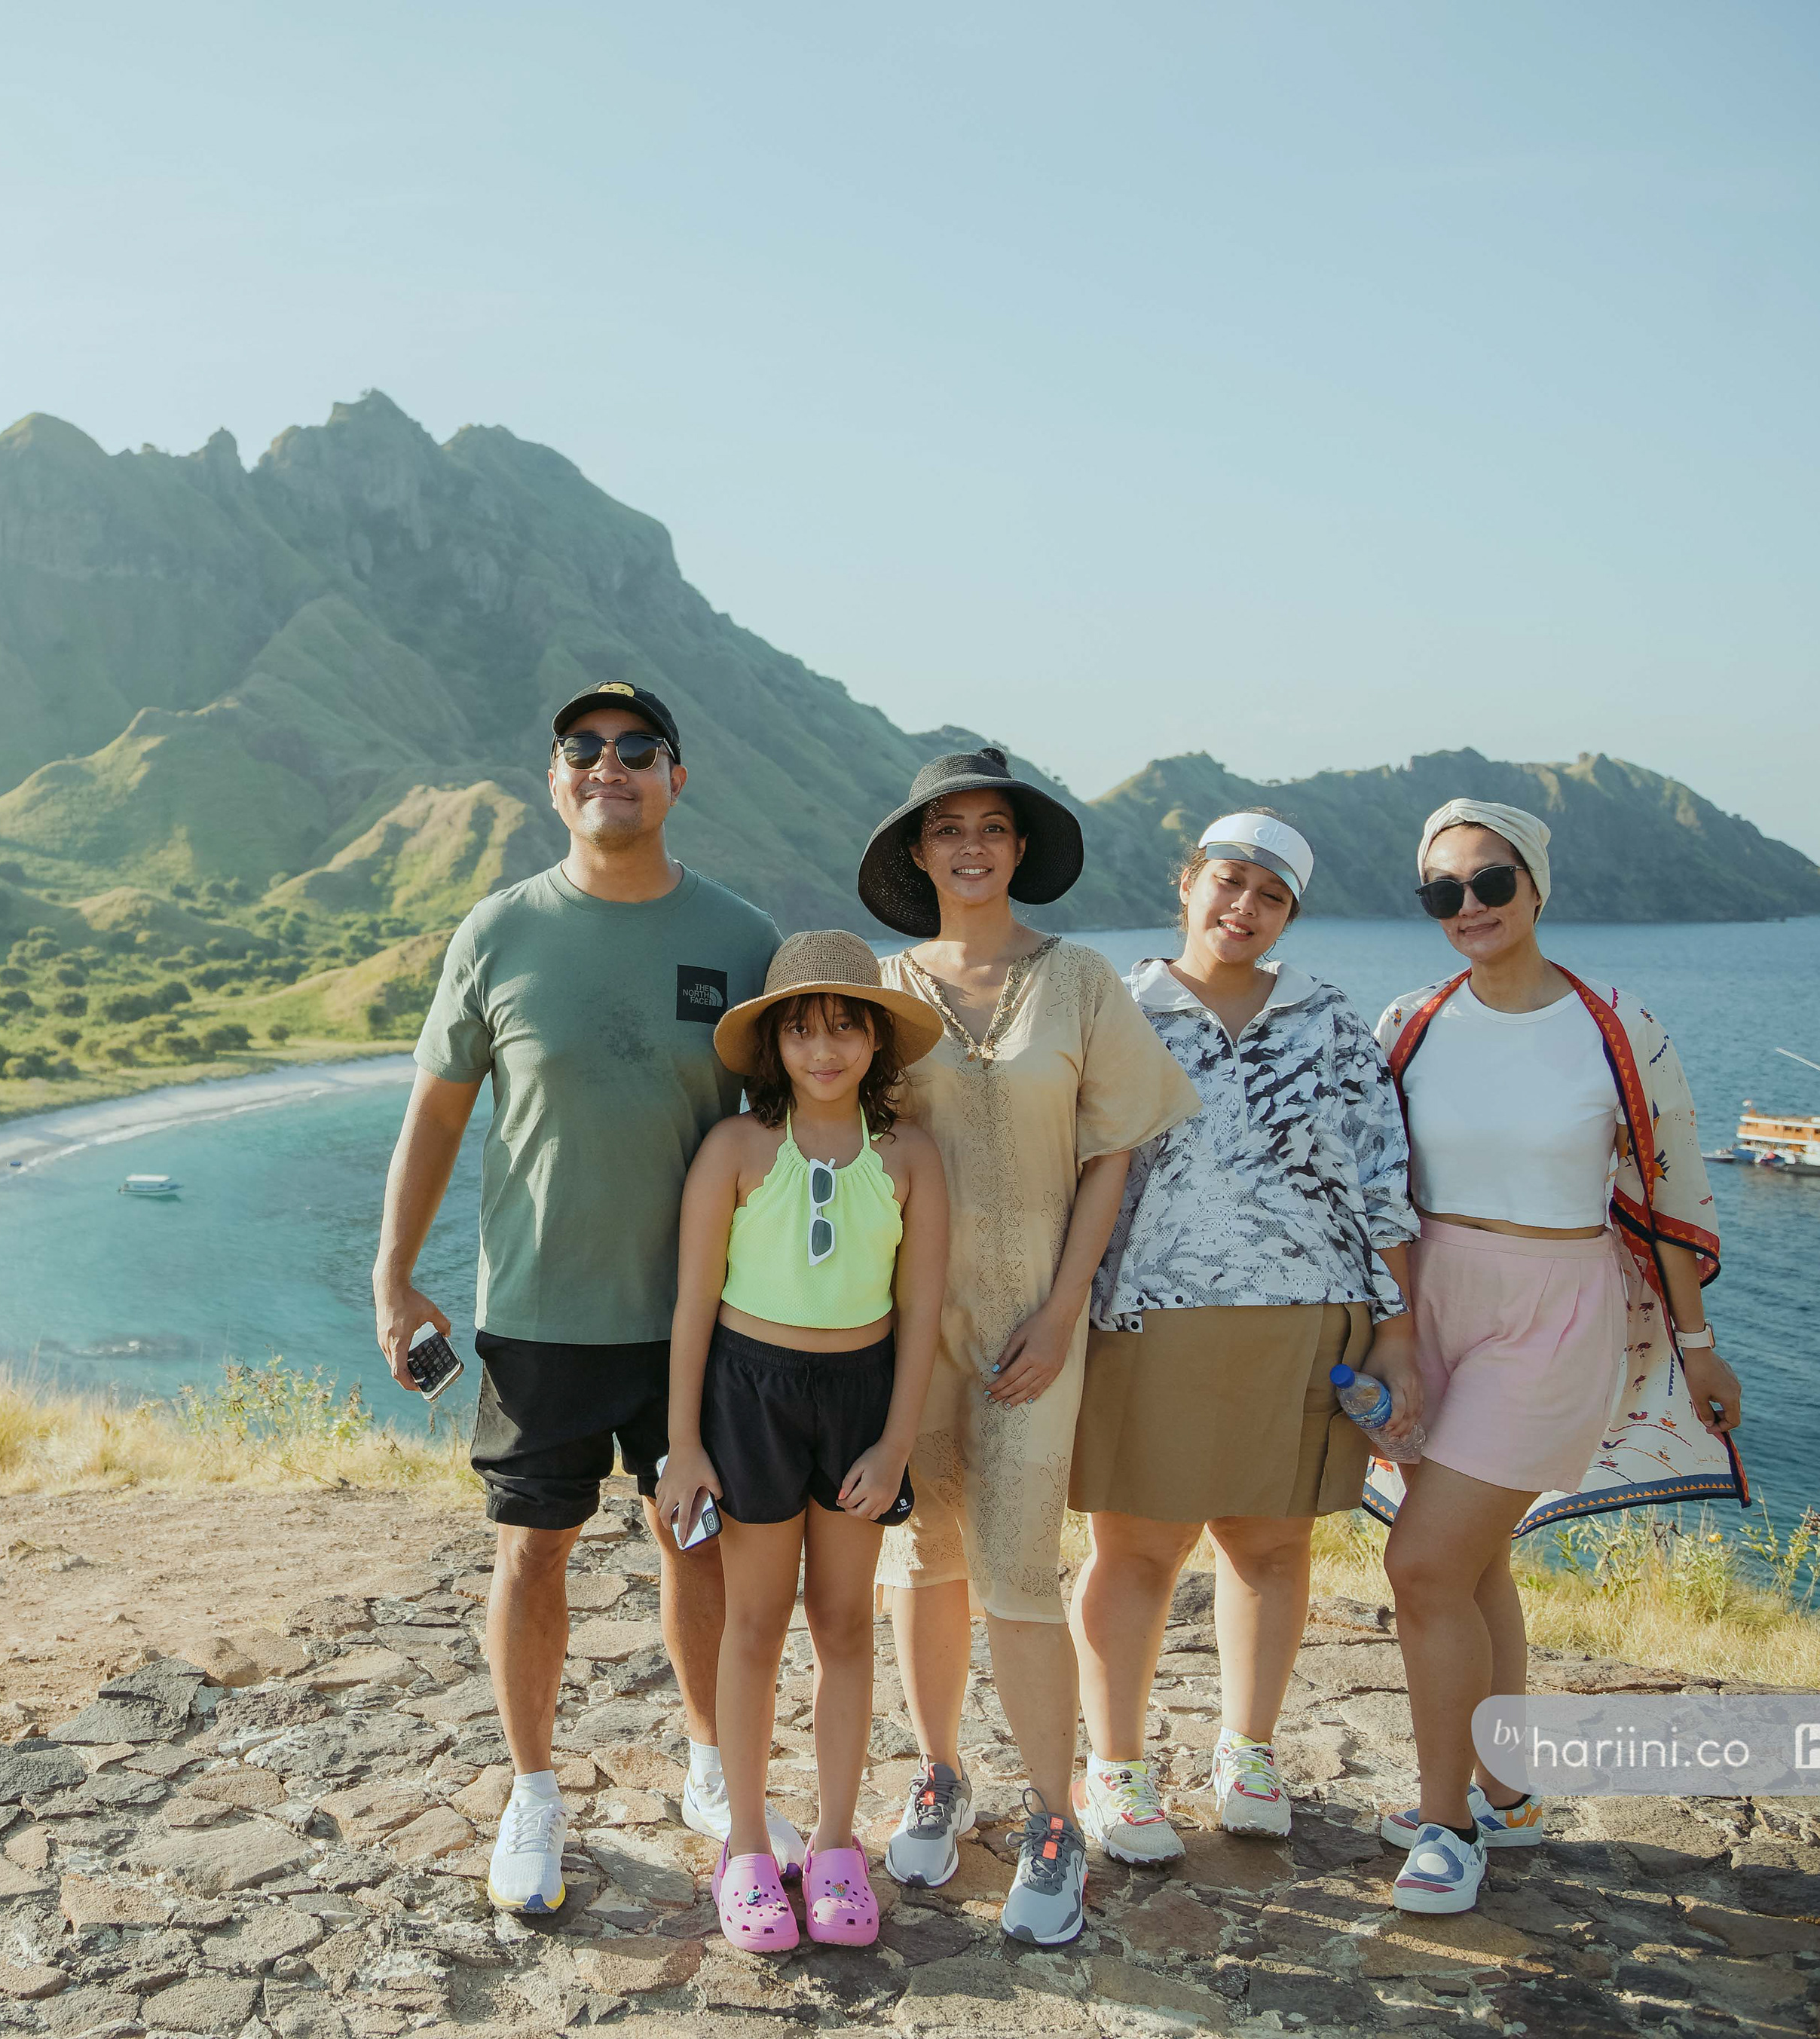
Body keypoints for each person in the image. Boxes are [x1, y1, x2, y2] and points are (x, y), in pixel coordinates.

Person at [373, 681, 791, 1920]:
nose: (610, 764)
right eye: (583, 748)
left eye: (637, 748)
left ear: (676, 778)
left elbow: (802, 1117)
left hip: (701, 1318)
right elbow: (437, 1113)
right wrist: (393, 1274)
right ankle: (534, 1791)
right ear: (554, 780)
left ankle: (710, 1767)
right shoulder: (497, 930)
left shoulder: (743, 938)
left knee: (695, 1539)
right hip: (540, 1312)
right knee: (531, 1549)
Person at [853, 746, 1200, 1947]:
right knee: (920, 1558)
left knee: (1018, 1564)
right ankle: (940, 1772)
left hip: (1033, 1327)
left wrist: (1063, 1308)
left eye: (992, 827)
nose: (971, 846)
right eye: (947, 827)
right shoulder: (883, 988)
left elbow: (1113, 1150)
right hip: (904, 1323)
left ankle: (1056, 1818)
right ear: (917, 851)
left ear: (1019, 847)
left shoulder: (1081, 980)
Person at [1369, 799, 1741, 1916]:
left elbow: (1667, 1194)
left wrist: (1700, 1348)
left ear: (1536, 886)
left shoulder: (1617, 1025)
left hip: (1554, 1312)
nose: (1469, 906)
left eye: (1491, 881)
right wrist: (1387, 1328)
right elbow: (1375, 1181)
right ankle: (1509, 1794)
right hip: (1432, 1302)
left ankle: (1446, 1827)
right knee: (1473, 1562)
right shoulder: (1411, 1020)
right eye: (1443, 891)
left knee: (1422, 1567)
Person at [1069, 812, 1424, 1868]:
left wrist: (1398, 1330)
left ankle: (1248, 1751)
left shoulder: (1329, 1020)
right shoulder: (1119, 1009)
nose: (1244, 908)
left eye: (1271, 896)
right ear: (1187, 884)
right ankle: (1116, 1766)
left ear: (1289, 916)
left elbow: (1382, 1179)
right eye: (1228, 881)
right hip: (1148, 1312)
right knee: (1137, 1550)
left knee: (1269, 1546)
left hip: (1308, 1313)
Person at [653, 931, 949, 1953]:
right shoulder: (737, 1150)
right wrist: (684, 1442)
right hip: (749, 1395)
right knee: (753, 1623)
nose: (824, 1049)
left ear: (877, 1041)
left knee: (845, 1623)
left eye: (846, 1028)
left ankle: (832, 1843)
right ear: (775, 1044)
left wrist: (896, 1442)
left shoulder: (908, 1156)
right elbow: (693, 1303)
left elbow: (921, 1310)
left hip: (861, 1399)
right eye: (803, 1030)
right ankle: (744, 1845)